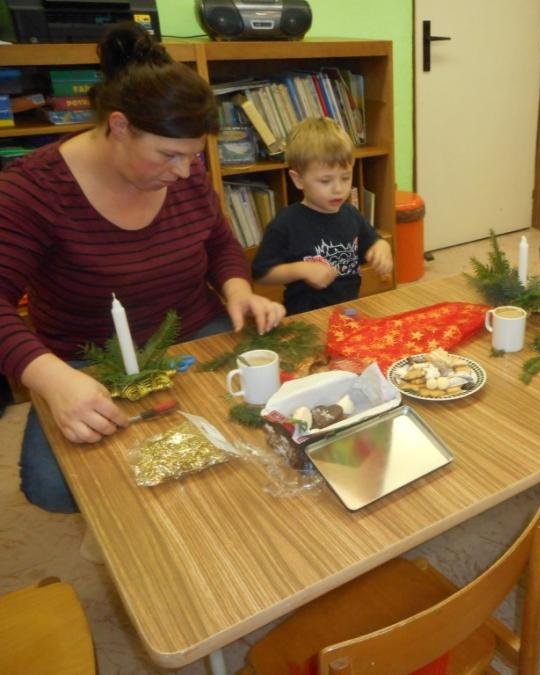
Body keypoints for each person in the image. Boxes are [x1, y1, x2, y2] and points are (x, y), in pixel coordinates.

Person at [0, 23, 286, 513]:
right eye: (169, 155)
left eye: (193, 157)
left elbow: (218, 239)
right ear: (119, 126)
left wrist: (237, 289)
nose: (184, 172)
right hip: (88, 359)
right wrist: (52, 380)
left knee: (256, 422)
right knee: (56, 487)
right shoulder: (33, 189)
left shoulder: (184, 169)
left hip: (195, 330)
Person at [251, 117, 393, 315]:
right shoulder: (285, 223)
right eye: (325, 181)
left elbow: (373, 242)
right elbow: (261, 273)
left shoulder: (351, 214)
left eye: (346, 177)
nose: (338, 189)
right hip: (305, 317)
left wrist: (381, 248)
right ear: (298, 180)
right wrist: (302, 269)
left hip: (347, 312)